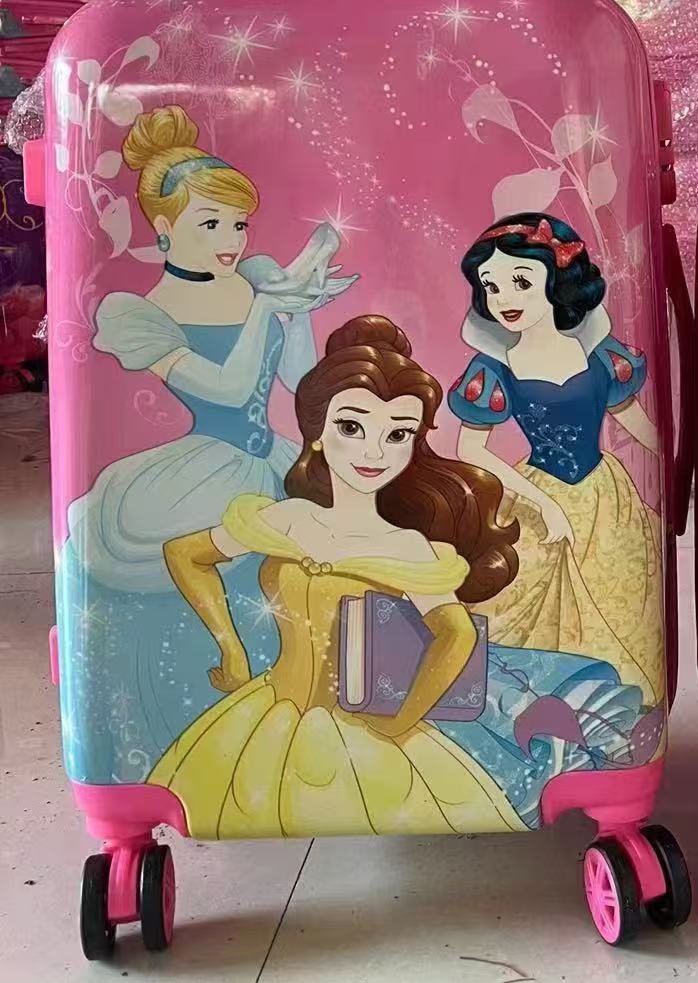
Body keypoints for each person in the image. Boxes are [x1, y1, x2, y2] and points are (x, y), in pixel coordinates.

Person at [58, 104, 354, 782]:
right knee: (204, 566)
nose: (231, 240)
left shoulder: (254, 283)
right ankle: (227, 688)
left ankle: (310, 722)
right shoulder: (140, 313)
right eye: (211, 224)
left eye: (238, 224)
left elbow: (298, 381)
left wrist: (298, 311)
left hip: (271, 455)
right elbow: (226, 388)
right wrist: (269, 306)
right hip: (206, 469)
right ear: (164, 230)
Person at [148, 317, 527, 837]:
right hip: (268, 712)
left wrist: (404, 717)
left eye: (398, 435)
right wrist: (231, 648)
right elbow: (186, 555)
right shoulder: (289, 519)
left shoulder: (406, 546)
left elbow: (456, 634)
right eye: (352, 427)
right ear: (317, 432)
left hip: (364, 726)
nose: (374, 452)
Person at [449, 213, 664, 706]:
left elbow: (634, 421)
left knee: (617, 592)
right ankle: (538, 704)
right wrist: (544, 505)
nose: (503, 299)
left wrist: (678, 467)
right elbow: (470, 449)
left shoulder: (601, 354)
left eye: (521, 282)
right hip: (537, 492)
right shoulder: (495, 367)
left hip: (607, 498)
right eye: (491, 286)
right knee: (525, 597)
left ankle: (611, 704)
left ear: (558, 281)